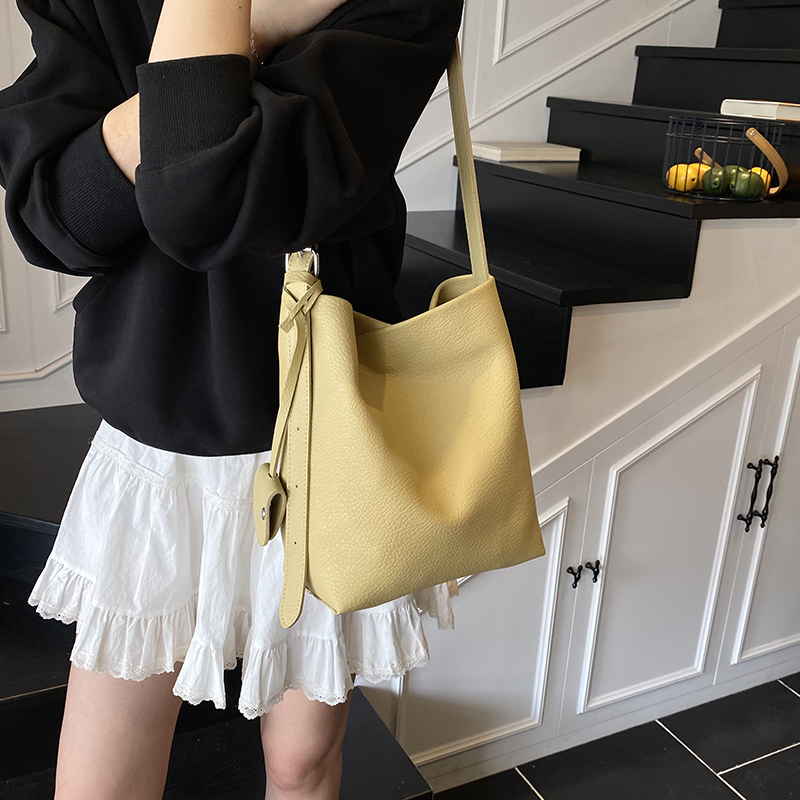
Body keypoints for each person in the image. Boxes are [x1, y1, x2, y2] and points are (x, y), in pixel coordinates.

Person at [0, 0, 464, 797]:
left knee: (302, 762)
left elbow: (197, 201)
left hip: (330, 442)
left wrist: (164, 99)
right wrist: (253, 32)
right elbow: (58, 216)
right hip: (159, 448)